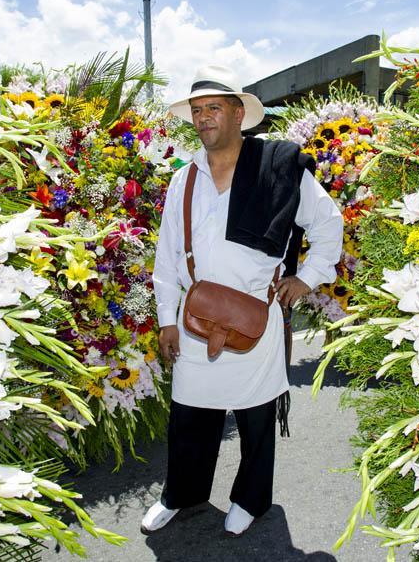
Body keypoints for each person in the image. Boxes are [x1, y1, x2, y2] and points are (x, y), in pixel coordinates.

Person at [143, 64, 343, 536]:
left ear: (238, 113)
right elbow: (167, 256)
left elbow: (328, 223)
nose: (204, 118)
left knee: (256, 418)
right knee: (189, 413)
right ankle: (181, 494)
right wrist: (166, 321)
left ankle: (250, 501)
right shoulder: (183, 179)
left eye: (213, 108)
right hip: (194, 316)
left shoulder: (278, 167)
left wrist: (307, 278)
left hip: (259, 310)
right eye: (196, 110)